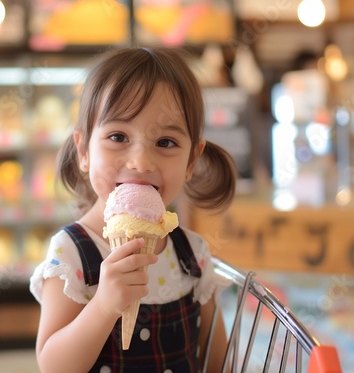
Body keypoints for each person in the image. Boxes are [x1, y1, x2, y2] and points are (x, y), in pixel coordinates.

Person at [30, 47, 237, 373]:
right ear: (84, 151)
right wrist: (103, 306)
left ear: (191, 162)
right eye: (118, 136)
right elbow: (54, 366)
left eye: (166, 142)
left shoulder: (193, 254)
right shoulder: (70, 254)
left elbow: (218, 358)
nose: (141, 162)